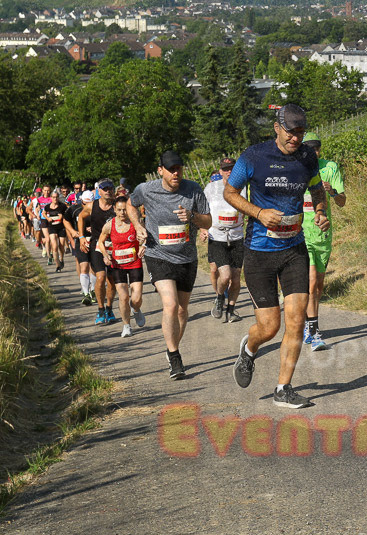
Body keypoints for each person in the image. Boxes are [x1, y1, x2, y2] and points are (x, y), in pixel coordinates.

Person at [225, 104, 329, 409]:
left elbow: (318, 192)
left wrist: (320, 212)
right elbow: (229, 193)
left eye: (300, 132)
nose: (296, 138)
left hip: (294, 250)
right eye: (290, 131)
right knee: (270, 327)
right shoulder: (253, 157)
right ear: (276, 128)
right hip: (259, 253)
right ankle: (250, 348)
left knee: (296, 321)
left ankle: (283, 388)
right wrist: (258, 212)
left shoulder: (307, 157)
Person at [128, 151, 212, 380]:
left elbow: (208, 220)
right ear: (160, 170)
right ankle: (175, 358)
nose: (176, 173)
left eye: (179, 168)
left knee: (183, 310)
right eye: (171, 169)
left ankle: (171, 347)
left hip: (187, 257)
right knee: (171, 305)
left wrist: (192, 216)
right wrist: (137, 226)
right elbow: (130, 205)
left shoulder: (193, 189)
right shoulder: (147, 189)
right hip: (158, 254)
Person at [300, 132, 346, 352]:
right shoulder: (296, 168)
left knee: (318, 285)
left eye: (316, 148)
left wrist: (333, 191)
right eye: (309, 147)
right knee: (310, 283)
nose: (314, 152)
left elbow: (342, 202)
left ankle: (306, 321)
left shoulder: (330, 167)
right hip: (301, 232)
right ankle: (314, 331)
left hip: (323, 233)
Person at [202, 158, 245, 323]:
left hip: (236, 237)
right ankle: (220, 297)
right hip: (217, 236)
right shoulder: (211, 188)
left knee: (236, 277)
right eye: (225, 169)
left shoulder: (243, 189)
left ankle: (231, 310)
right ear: (220, 171)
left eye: (232, 169)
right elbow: (202, 210)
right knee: (225, 275)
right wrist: (202, 228)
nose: (229, 172)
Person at [97, 195, 146, 338]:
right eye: (119, 210)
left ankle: (136, 310)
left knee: (136, 298)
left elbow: (146, 237)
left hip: (134, 262)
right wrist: (105, 255)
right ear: (114, 210)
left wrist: (143, 245)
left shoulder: (136, 223)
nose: (122, 213)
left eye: (125, 210)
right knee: (123, 296)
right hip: (118, 265)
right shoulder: (109, 225)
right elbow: (101, 242)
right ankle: (126, 326)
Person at [79, 180, 117, 325]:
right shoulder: (91, 206)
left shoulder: (117, 206)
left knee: (112, 280)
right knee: (101, 277)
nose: (107, 191)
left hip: (114, 245)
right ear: (98, 191)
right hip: (96, 245)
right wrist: (82, 236)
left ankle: (109, 308)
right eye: (104, 189)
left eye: (110, 188)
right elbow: (81, 218)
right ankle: (100, 310)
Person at [65, 190, 97, 305]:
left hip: (94, 240)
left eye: (89, 203)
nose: (86, 206)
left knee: (93, 268)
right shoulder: (74, 209)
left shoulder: (97, 208)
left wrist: (95, 228)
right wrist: (73, 232)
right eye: (84, 203)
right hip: (81, 240)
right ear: (81, 201)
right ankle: (85, 293)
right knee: (83, 266)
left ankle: (93, 290)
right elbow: (65, 220)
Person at [43, 186, 69, 272]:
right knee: (54, 246)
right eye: (53, 197)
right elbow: (43, 213)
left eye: (56, 197)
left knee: (61, 246)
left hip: (61, 227)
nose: (55, 199)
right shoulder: (47, 207)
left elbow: (67, 215)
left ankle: (61, 259)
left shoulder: (62, 206)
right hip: (52, 227)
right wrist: (48, 218)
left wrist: (62, 217)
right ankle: (57, 265)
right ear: (51, 198)